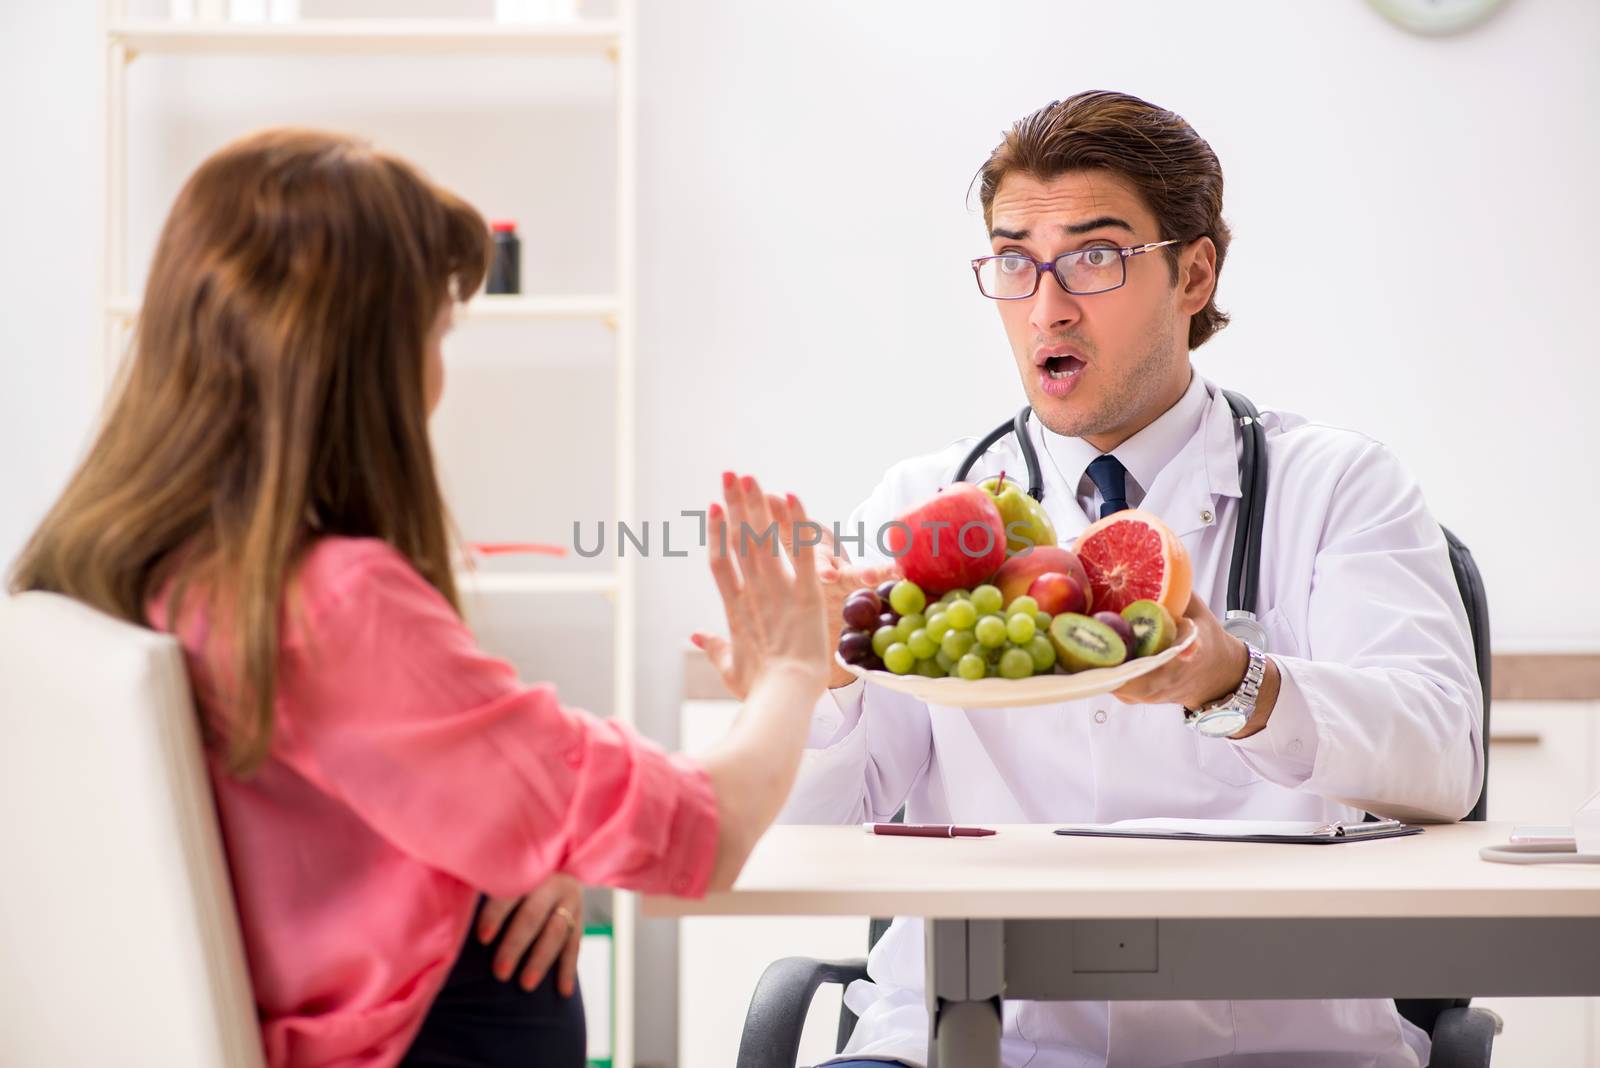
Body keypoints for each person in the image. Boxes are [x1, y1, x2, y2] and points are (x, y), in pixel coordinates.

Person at [8, 128, 830, 1068]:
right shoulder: (328, 605)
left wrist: (532, 840)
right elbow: (706, 836)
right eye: (433, 335)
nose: (436, 378)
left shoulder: (135, 565)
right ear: (363, 357)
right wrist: (792, 670)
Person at [699, 90, 1483, 1067]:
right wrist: (808, 691)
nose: (1046, 304)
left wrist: (1234, 679)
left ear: (1194, 273)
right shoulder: (927, 503)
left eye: (1095, 256)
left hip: (1274, 1040)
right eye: (1015, 260)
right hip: (968, 1032)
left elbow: (1443, 763)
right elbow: (819, 826)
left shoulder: (1337, 485)